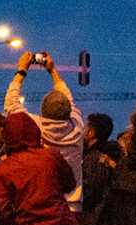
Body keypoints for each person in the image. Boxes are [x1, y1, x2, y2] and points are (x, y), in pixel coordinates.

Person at [5, 52, 84, 214]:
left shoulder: (35, 128)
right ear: (69, 111)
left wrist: (21, 71)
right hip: (73, 208)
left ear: (43, 111)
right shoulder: (77, 127)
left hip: (45, 206)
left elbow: (12, 104)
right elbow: (69, 98)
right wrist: (53, 71)